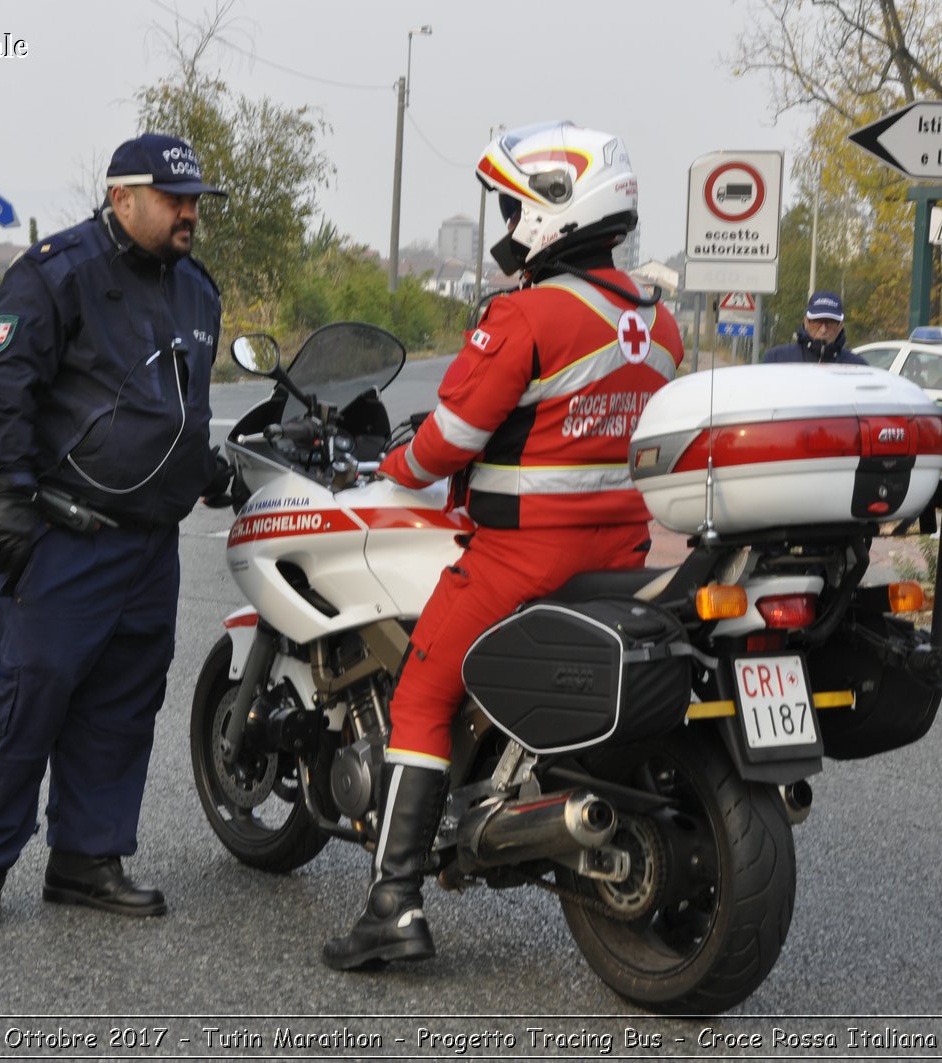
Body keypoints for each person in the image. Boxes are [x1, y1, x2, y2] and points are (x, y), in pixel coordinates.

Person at [321, 121, 683, 971]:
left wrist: (394, 461)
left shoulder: (527, 315)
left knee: (420, 696)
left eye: (515, 203)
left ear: (554, 210)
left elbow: (449, 439)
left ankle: (393, 908)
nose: (506, 221)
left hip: (522, 559)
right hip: (622, 557)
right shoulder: (657, 325)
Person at [0, 133, 234, 931]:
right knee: (25, 699)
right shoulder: (56, 273)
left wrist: (203, 470)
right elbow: (4, 389)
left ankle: (86, 858)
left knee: (123, 705)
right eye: (174, 200)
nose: (189, 213)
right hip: (63, 536)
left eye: (195, 201)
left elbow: (176, 411)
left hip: (148, 546)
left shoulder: (196, 291)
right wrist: (5, 491)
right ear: (121, 198)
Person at [760, 290, 866, 365]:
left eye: (831, 322)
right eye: (817, 322)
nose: (823, 329)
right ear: (806, 322)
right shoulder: (777, 359)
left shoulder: (857, 366)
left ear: (840, 325)